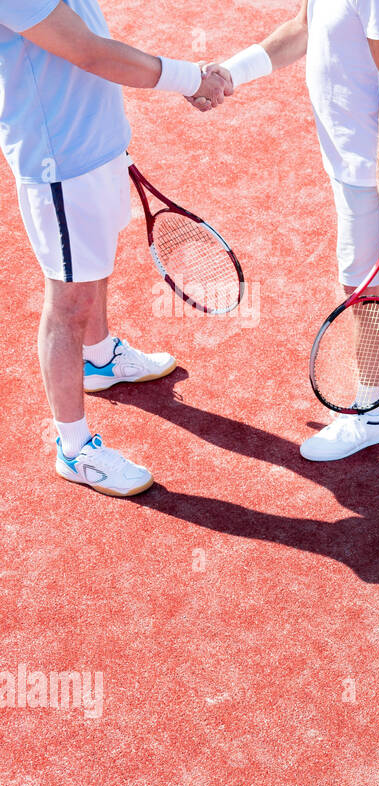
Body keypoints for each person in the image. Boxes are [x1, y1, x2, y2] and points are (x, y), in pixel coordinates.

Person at [202, 0, 379, 462]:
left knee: (363, 286)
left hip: (375, 164)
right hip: (354, 156)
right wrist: (231, 72)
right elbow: (304, 27)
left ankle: (372, 412)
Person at [0, 0, 232, 496]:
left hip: (99, 145)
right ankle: (73, 447)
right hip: (58, 164)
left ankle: (100, 358)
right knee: (69, 302)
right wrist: (189, 77)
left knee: (94, 266)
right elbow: (88, 52)